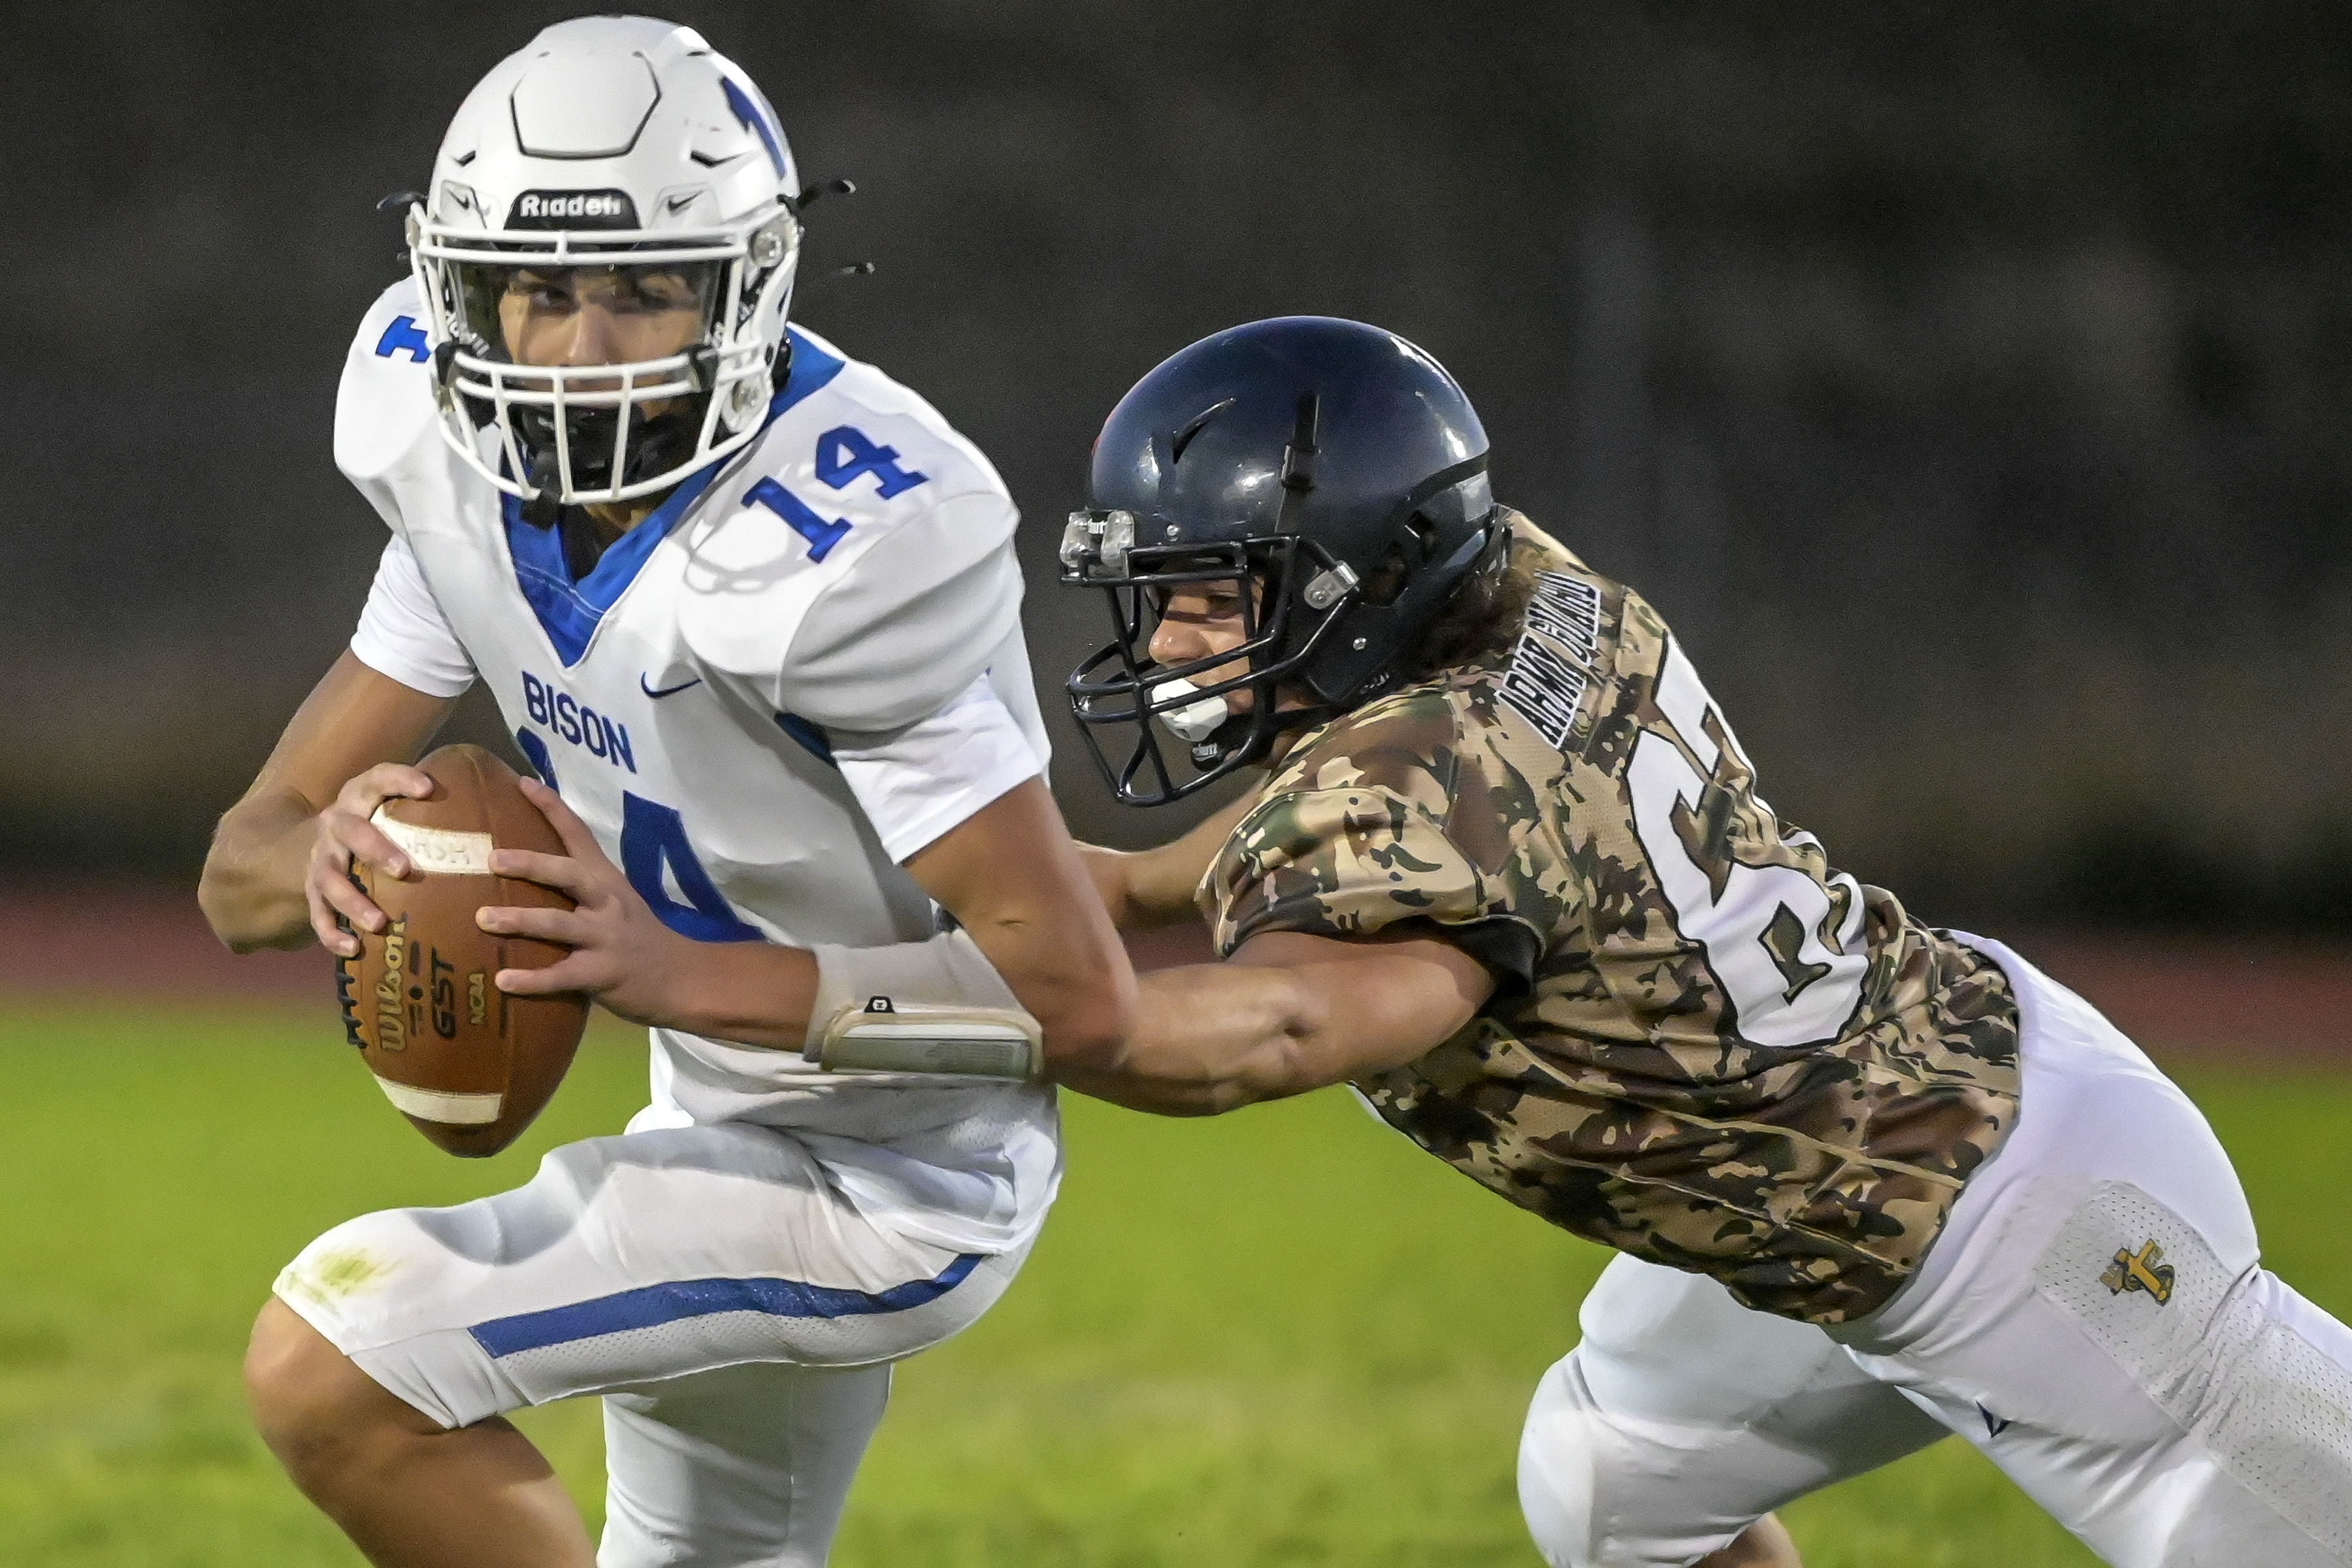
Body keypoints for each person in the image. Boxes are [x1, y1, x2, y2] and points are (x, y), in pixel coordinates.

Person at [1054, 315, 2352, 1568]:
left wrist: (992, 1016)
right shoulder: (1528, 590)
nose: (1169, 645)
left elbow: (1273, 1028)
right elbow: (1345, 819)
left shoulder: (1443, 783)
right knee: (1613, 1481)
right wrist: (1109, 892)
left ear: (1368, 580)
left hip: (2030, 1232)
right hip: (1902, 1131)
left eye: (1216, 598)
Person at [197, 18, 1132, 1567]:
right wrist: (327, 860)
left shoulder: (848, 543)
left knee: (333, 1364)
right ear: (461, 287)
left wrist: (675, 972)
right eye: (541, 289)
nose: (579, 344)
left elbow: (1075, 1000)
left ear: (747, 284)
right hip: (715, 1113)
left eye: (644, 289)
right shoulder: (447, 459)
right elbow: (243, 862)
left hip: (895, 1174)